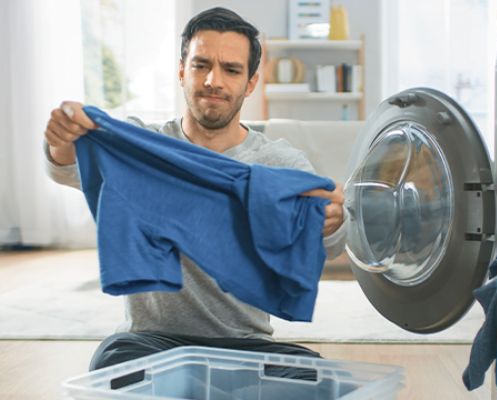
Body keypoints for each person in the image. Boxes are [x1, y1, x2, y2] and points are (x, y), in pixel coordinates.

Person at [43, 7, 346, 372]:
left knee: (316, 376)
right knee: (112, 362)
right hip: (150, 343)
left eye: (231, 70)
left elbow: (331, 245)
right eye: (201, 65)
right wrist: (62, 141)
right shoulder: (144, 147)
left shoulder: (278, 162)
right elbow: (68, 169)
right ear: (182, 71)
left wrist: (333, 221)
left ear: (250, 83)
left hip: (244, 345)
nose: (212, 81)